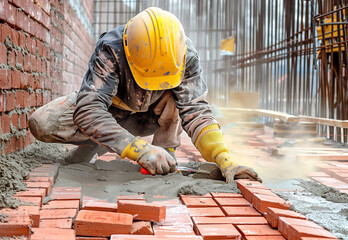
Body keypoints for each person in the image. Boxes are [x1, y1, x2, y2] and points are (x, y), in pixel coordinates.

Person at [29, 7, 261, 183]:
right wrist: (139, 149)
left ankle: (165, 157)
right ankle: (96, 142)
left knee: (178, 101)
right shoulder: (112, 49)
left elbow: (197, 112)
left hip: (150, 118)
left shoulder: (184, 56)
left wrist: (224, 159)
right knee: (41, 123)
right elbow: (90, 109)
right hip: (112, 110)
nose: (151, 88)